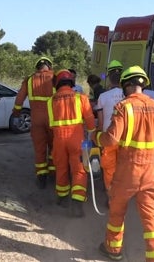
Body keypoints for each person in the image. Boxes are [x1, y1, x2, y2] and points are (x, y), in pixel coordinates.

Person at [91, 65, 154, 261]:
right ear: (143, 85)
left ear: (125, 86)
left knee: (117, 212)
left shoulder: (124, 107)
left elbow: (111, 139)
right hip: (150, 173)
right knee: (149, 219)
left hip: (127, 171)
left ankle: (113, 250)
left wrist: (97, 136)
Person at [47, 69, 96, 217]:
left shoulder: (51, 101)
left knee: (61, 167)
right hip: (78, 139)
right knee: (79, 170)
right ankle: (77, 203)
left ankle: (62, 198)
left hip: (59, 139)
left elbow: (51, 125)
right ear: (71, 82)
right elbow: (90, 121)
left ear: (57, 83)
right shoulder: (80, 97)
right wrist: (92, 135)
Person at [13, 56, 55, 190]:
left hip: (36, 120)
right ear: (49, 66)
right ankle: (54, 175)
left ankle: (41, 177)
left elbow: (19, 98)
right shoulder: (55, 78)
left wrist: (16, 114)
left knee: (40, 149)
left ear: (37, 67)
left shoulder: (29, 80)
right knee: (54, 147)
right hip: (53, 119)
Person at [95, 60, 124, 199]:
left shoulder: (103, 97)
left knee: (109, 168)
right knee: (124, 167)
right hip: (126, 138)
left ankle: (111, 195)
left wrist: (96, 136)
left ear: (109, 77)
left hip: (109, 137)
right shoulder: (128, 95)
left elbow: (100, 123)